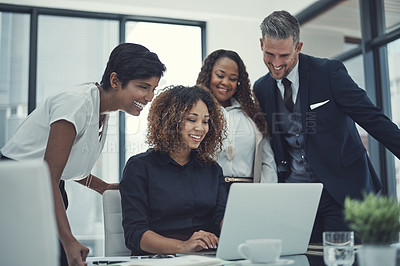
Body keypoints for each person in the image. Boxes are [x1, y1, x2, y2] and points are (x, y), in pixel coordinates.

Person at [0, 43, 166, 265]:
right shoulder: (76, 104)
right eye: (143, 87)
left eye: (154, 88)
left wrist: (102, 187)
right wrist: (69, 240)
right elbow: (50, 174)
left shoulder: (103, 110)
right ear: (116, 81)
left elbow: (65, 163)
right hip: (15, 188)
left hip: (43, 188)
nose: (149, 96)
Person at [253, 10, 400, 243]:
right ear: (261, 44)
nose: (277, 64)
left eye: (284, 56)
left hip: (340, 190)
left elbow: (372, 118)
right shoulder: (261, 88)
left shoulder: (329, 73)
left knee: (342, 257)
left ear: (298, 47)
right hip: (296, 196)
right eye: (270, 54)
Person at [119, 85, 227, 255]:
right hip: (158, 259)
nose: (200, 128)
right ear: (171, 120)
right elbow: (135, 233)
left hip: (206, 258)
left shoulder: (212, 169)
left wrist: (235, 226)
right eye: (192, 120)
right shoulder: (139, 167)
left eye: (205, 121)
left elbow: (218, 219)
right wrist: (182, 247)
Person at [196, 49, 277, 192]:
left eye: (233, 79)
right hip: (207, 191)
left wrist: (266, 193)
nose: (225, 82)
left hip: (247, 193)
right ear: (209, 75)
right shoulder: (195, 112)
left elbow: (267, 161)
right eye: (220, 75)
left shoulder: (252, 115)